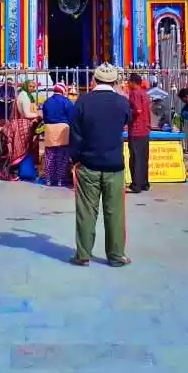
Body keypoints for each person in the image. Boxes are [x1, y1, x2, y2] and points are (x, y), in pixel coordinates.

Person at [69, 63, 132, 267]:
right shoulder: (121, 102)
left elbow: (75, 134)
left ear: (93, 80)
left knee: (87, 211)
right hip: (114, 164)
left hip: (88, 163)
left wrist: (75, 158)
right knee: (115, 212)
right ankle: (116, 256)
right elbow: (129, 119)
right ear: (115, 82)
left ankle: (83, 255)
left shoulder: (83, 101)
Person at [0, 80, 40, 181]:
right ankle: (10, 173)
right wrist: (39, 115)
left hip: (19, 125)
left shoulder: (25, 95)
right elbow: (27, 114)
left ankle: (12, 172)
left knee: (16, 151)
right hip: (22, 127)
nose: (33, 88)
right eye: (31, 86)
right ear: (26, 86)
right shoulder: (24, 96)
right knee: (18, 151)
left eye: (34, 86)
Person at [41, 83, 76, 187]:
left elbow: (45, 117)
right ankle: (61, 180)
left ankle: (48, 179)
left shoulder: (47, 102)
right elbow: (71, 117)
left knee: (49, 155)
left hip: (50, 129)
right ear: (63, 90)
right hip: (63, 129)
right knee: (62, 156)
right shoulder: (67, 102)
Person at [126, 73, 152, 193]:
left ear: (132, 82)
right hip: (145, 130)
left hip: (136, 130)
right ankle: (144, 183)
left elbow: (137, 110)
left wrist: (127, 115)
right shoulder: (145, 94)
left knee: (135, 158)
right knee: (143, 158)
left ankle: (136, 184)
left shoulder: (134, 94)